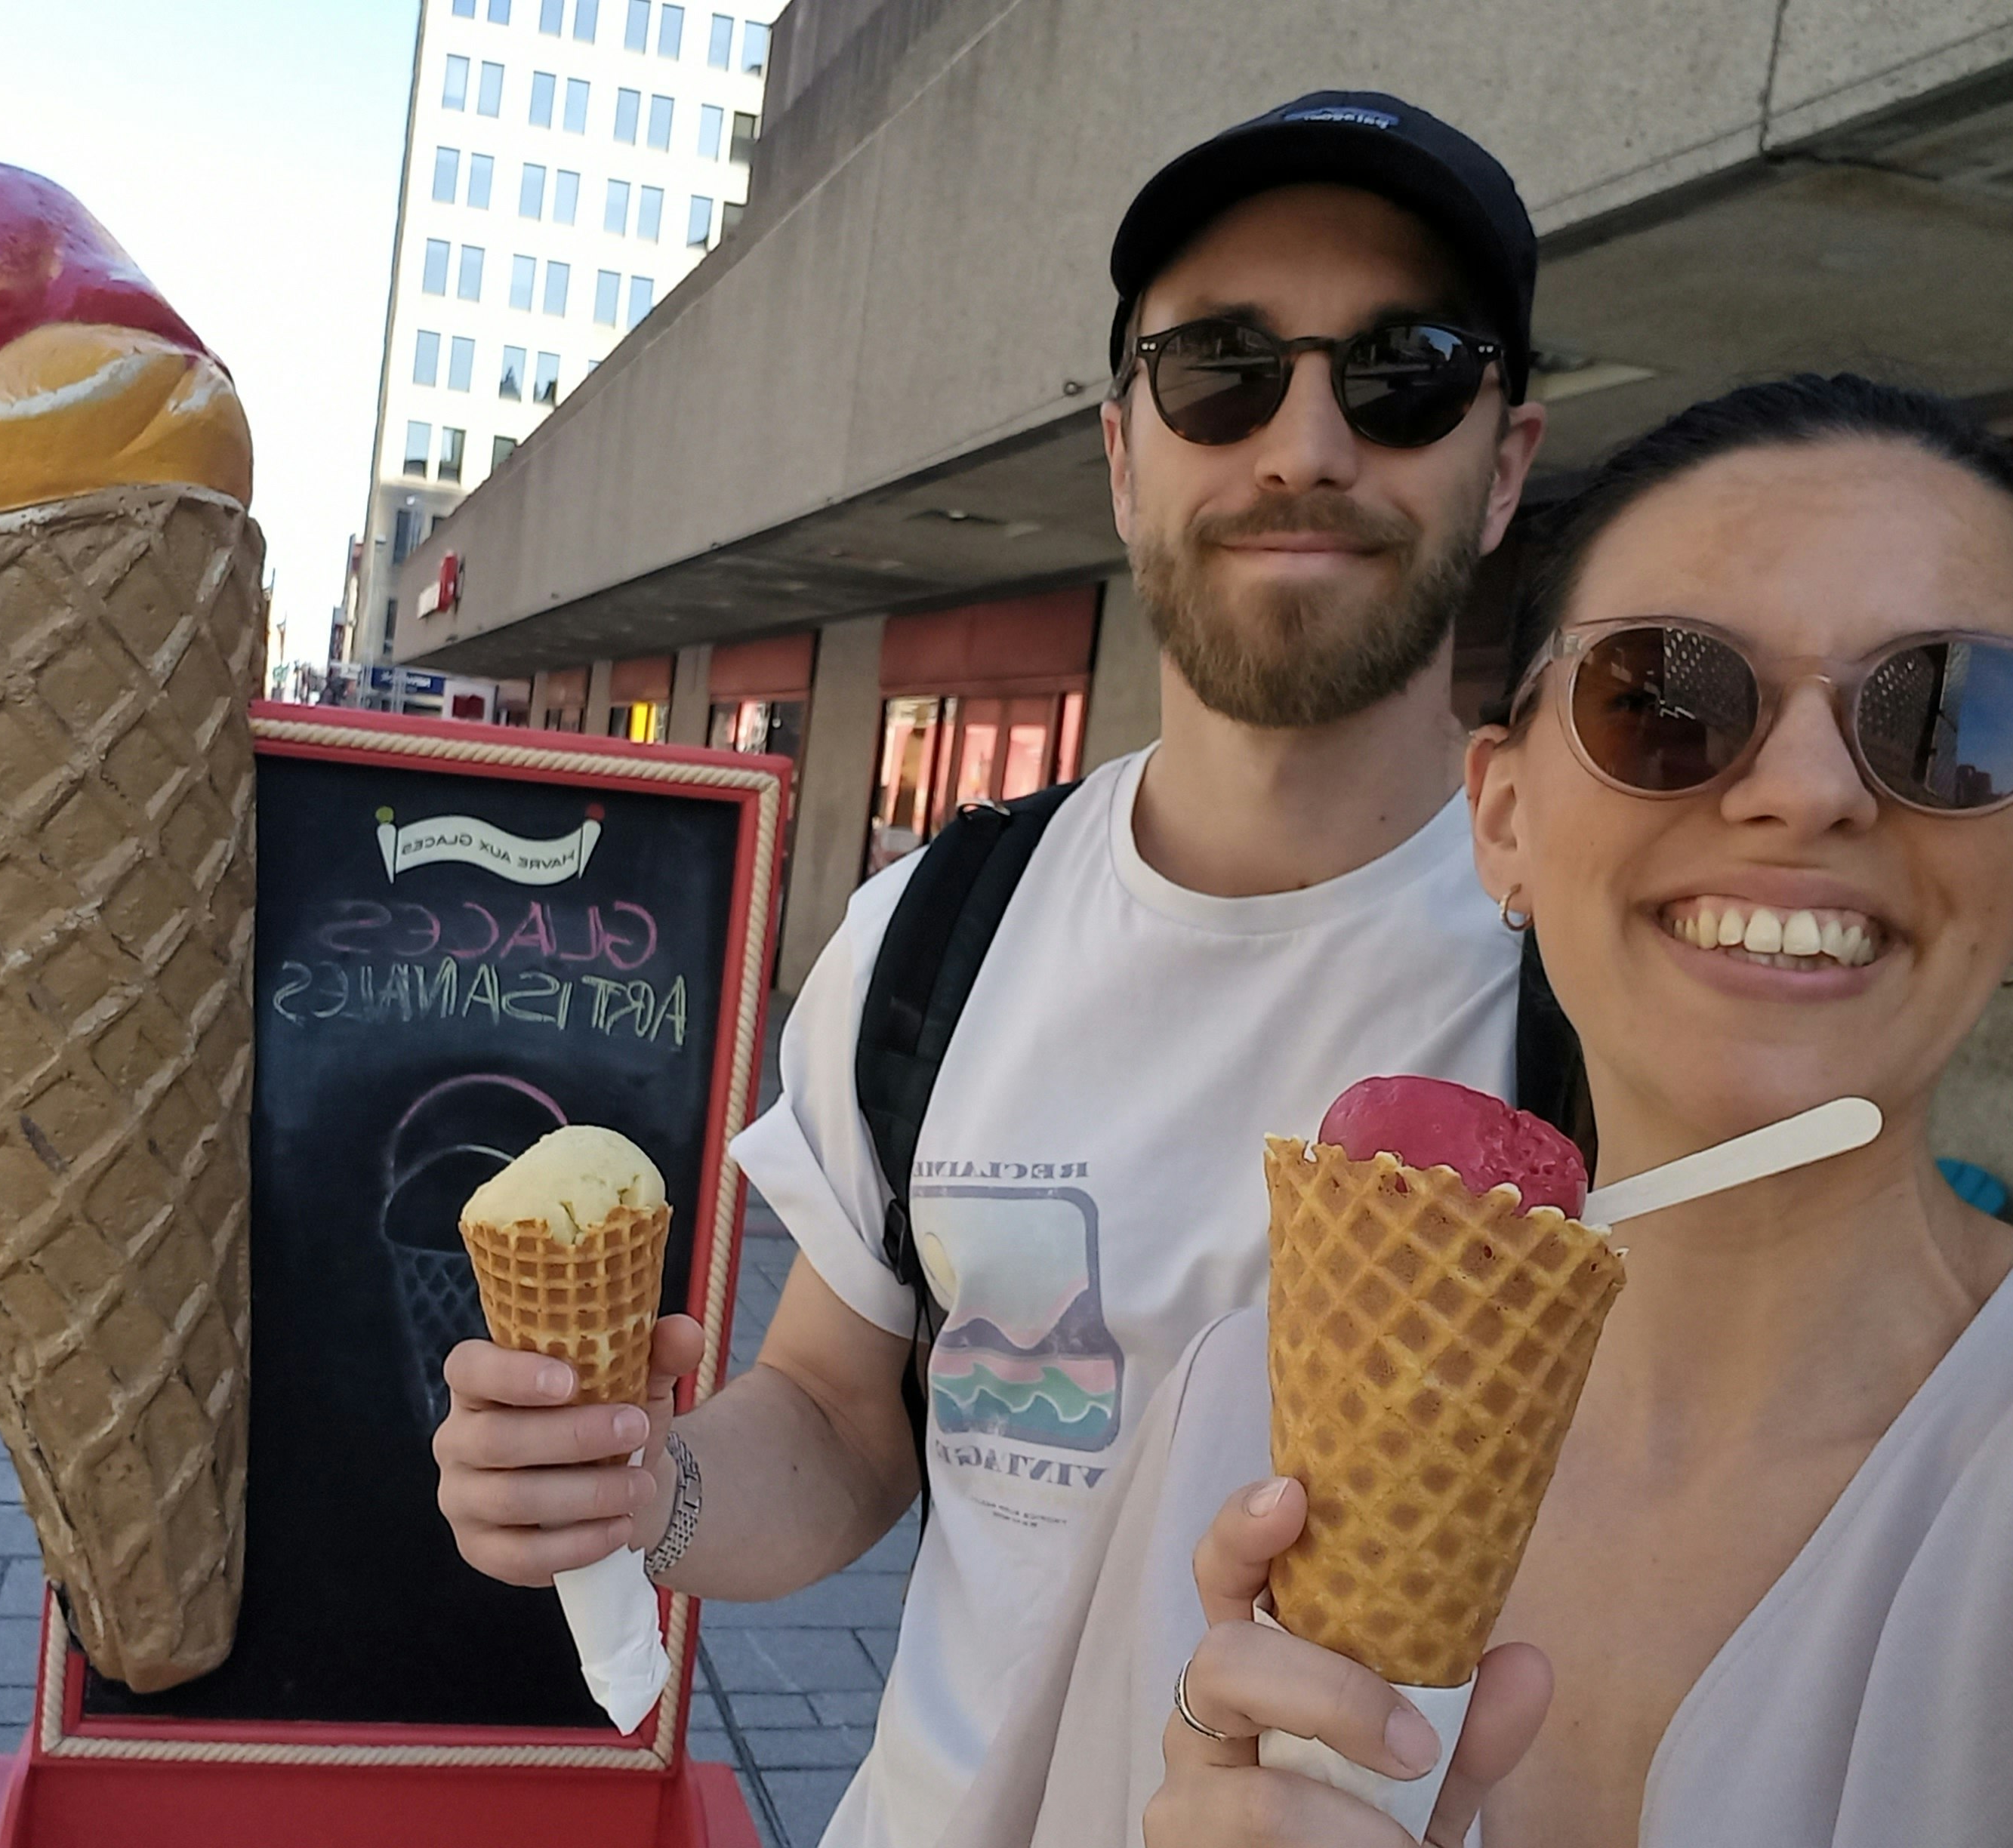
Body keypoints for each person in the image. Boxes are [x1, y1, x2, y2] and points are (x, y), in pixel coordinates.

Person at [435, 92, 1551, 1845]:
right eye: (1220, 369)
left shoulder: (1604, 991)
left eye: (1401, 369)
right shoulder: (936, 930)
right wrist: (645, 1487)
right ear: (1124, 453)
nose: (1306, 442)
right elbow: (836, 1410)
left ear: (1505, 460)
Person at [936, 374, 2013, 1848]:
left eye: (1949, 714)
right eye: (1668, 694)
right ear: (1504, 818)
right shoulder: (1239, 1406)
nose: (1806, 792)